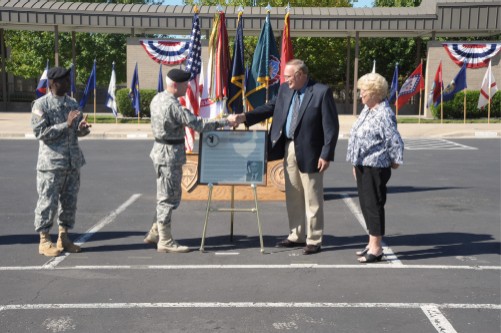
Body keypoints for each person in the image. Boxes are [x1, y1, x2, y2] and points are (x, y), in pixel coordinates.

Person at [229, 59, 339, 255]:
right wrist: (244, 117)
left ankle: (314, 239)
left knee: (312, 197)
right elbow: (270, 108)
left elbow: (331, 127)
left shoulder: (321, 92)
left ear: (301, 75)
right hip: (288, 148)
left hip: (312, 151)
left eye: (288, 76)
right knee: (293, 194)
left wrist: (326, 153)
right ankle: (296, 235)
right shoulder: (284, 90)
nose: (285, 80)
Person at [143, 68, 236, 253]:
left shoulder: (158, 98)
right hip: (169, 155)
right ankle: (165, 240)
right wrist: (226, 121)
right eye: (185, 84)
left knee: (166, 195)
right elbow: (199, 125)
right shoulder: (173, 106)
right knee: (168, 198)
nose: (188, 88)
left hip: (162, 152)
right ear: (176, 85)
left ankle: (156, 232)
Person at [31, 66, 91, 257]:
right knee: (47, 202)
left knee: (69, 202)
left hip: (72, 162)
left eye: (69, 80)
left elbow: (76, 131)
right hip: (51, 164)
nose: (68, 84)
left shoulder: (72, 103)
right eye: (65, 81)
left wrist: (82, 128)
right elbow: (40, 133)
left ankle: (64, 237)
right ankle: (44, 240)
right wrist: (66, 124)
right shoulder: (41, 105)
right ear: (53, 83)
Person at [346, 72, 404, 263]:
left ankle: (377, 248)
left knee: (374, 206)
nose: (360, 95)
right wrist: (355, 162)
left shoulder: (384, 113)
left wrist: (395, 161)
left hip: (376, 166)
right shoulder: (367, 110)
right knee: (365, 205)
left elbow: (394, 139)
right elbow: (357, 136)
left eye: (363, 91)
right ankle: (371, 242)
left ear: (375, 92)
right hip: (363, 164)